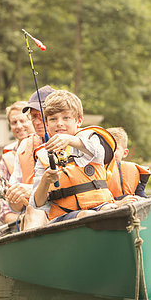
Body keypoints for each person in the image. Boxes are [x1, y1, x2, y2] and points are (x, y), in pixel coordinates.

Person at [30, 89, 118, 224]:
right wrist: (45, 181)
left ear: (78, 121)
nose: (59, 123)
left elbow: (99, 153)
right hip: (63, 217)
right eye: (53, 119)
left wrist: (70, 140)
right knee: (86, 215)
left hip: (101, 206)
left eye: (66, 118)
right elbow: (37, 203)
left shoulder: (90, 138)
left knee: (111, 208)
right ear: (47, 124)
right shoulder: (43, 155)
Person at [2, 86, 55, 226]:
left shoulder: (76, 141)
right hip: (35, 216)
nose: (37, 122)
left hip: (67, 213)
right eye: (33, 117)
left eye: (41, 116)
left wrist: (30, 189)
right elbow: (13, 208)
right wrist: (14, 196)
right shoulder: (24, 147)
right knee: (33, 211)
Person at [0, 101, 35, 224]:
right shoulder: (6, 159)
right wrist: (25, 220)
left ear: (33, 121)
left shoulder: (48, 146)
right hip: (23, 219)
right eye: (14, 122)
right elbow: (6, 213)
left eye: (23, 121)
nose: (19, 126)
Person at [106, 127, 151, 200]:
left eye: (115, 148)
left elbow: (141, 195)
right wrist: (121, 200)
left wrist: (140, 199)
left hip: (131, 207)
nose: (111, 152)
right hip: (109, 207)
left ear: (124, 153)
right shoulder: (97, 171)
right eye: (107, 148)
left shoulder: (133, 170)